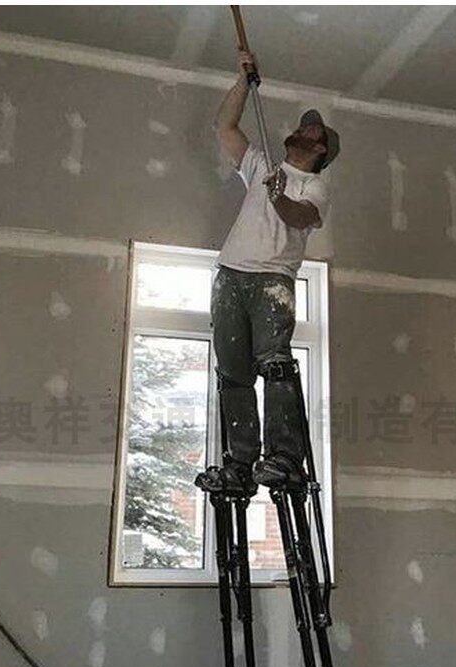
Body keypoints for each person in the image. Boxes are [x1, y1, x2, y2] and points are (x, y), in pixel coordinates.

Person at [196, 49, 340, 495]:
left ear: (320, 149)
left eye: (312, 130)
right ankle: (240, 465)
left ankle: (283, 458)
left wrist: (279, 195)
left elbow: (300, 216)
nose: (303, 129)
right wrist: (243, 79)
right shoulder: (262, 165)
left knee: (275, 366)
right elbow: (225, 126)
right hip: (230, 276)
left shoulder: (315, 185)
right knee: (232, 374)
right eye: (305, 125)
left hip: (272, 281)